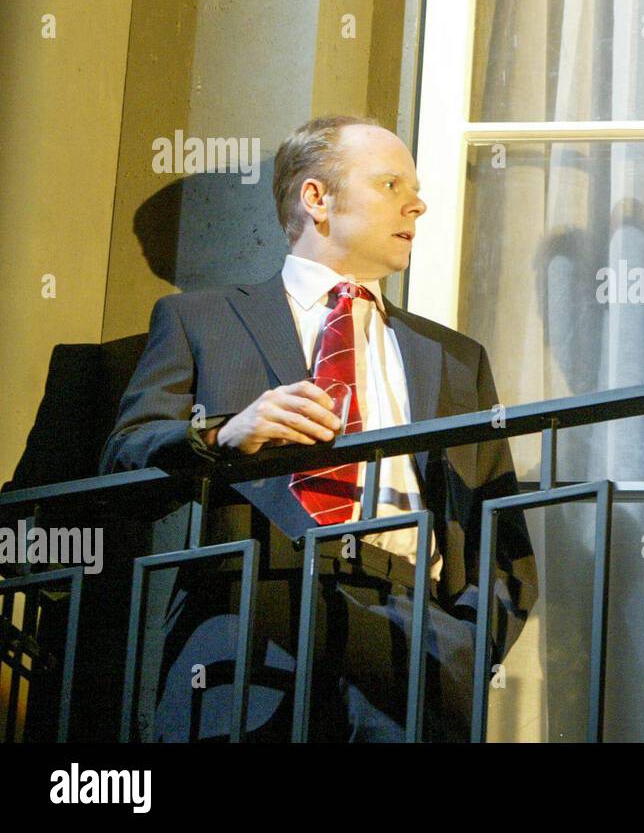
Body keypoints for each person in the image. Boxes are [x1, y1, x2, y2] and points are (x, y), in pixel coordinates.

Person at [100, 115, 536, 742]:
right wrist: (222, 436)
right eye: (391, 184)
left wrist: (465, 645)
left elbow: (502, 533)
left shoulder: (456, 358)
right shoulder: (201, 319)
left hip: (413, 641)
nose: (418, 203)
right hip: (249, 627)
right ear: (316, 198)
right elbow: (125, 460)